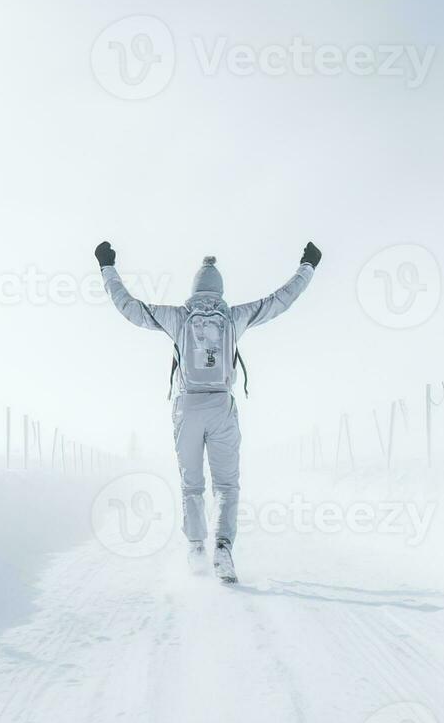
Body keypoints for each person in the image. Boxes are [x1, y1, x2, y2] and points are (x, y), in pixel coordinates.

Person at [94, 240, 322, 583]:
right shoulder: (234, 317)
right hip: (221, 407)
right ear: (220, 290)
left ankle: (197, 550)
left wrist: (107, 266)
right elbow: (281, 300)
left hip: (187, 408)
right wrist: (308, 265)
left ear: (195, 288)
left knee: (192, 486)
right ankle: (223, 549)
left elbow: (130, 308)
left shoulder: (177, 317)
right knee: (227, 485)